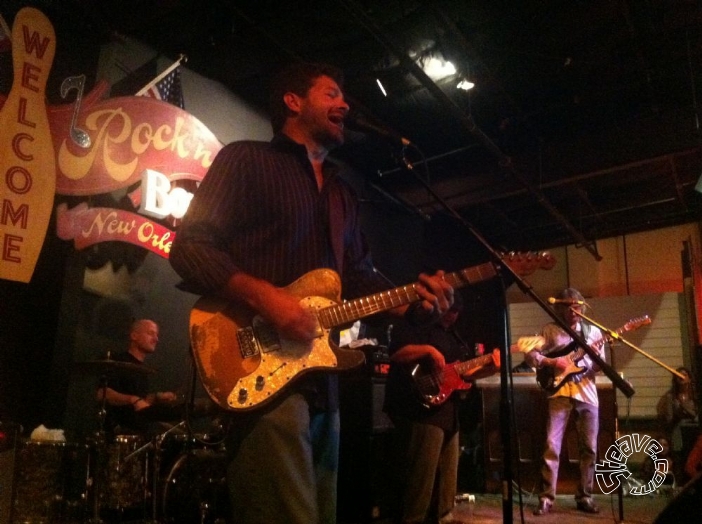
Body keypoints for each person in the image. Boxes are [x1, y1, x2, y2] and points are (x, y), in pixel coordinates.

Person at [168, 61, 454, 524]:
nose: (345, 104)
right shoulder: (245, 159)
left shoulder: (341, 194)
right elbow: (190, 247)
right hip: (260, 371)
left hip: (323, 381)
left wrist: (414, 301)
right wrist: (268, 300)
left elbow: (358, 278)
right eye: (331, 94)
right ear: (293, 101)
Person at [383, 292, 499, 524]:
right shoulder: (413, 324)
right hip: (421, 409)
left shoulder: (453, 336)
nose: (452, 316)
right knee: (422, 476)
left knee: (448, 474)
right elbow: (396, 354)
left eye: (456, 313)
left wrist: (490, 367)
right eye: (449, 311)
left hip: (448, 409)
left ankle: (445, 516)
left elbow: (462, 374)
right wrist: (428, 350)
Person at [524, 288, 606, 515]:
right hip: (559, 392)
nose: (572, 312)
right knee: (552, 445)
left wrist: (597, 356)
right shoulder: (550, 331)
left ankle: (585, 496)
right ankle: (547, 498)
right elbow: (529, 354)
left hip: (587, 393)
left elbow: (599, 368)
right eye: (567, 307)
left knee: (589, 448)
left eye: (576, 307)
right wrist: (552, 363)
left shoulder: (594, 332)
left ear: (582, 308)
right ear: (558, 309)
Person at [96, 318, 179, 437]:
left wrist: (157, 397)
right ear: (134, 336)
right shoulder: (119, 361)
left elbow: (140, 401)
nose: (156, 339)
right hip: (117, 433)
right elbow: (102, 393)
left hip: (138, 432)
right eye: (151, 333)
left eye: (157, 335)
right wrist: (133, 399)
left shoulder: (142, 369)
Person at [657, 366, 698, 476]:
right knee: (680, 459)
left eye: (685, 375)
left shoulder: (694, 395)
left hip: (694, 430)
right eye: (679, 375)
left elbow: (696, 414)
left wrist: (685, 406)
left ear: (689, 378)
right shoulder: (671, 396)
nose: (682, 377)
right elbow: (669, 418)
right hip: (678, 431)